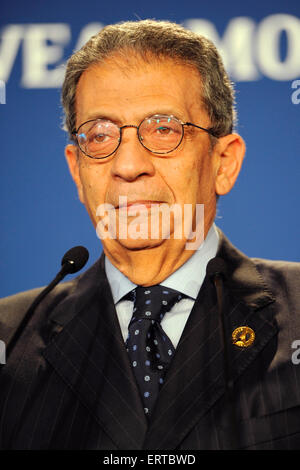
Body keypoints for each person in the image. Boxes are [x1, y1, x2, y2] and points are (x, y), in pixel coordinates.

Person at [0, 19, 300, 451]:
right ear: (76, 171)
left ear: (223, 162)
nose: (127, 165)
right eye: (100, 135)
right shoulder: (12, 338)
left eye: (163, 129)